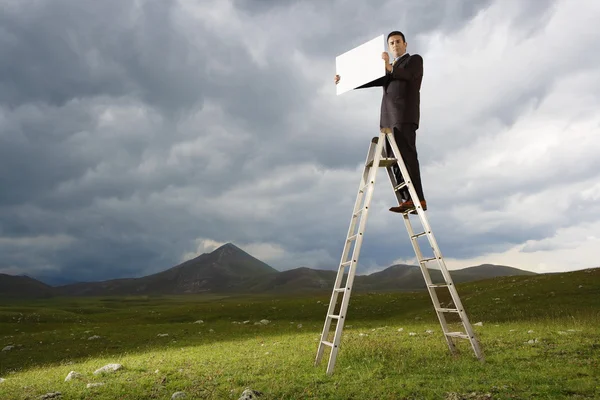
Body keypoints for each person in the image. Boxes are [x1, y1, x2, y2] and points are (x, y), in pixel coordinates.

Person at [334, 31, 426, 213]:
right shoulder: (389, 67)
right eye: (391, 43)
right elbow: (372, 79)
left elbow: (408, 76)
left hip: (404, 117)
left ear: (405, 44)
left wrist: (388, 67)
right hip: (388, 120)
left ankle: (419, 199)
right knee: (393, 161)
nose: (395, 45)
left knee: (407, 156)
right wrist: (345, 81)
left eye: (398, 42)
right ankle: (407, 200)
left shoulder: (414, 60)